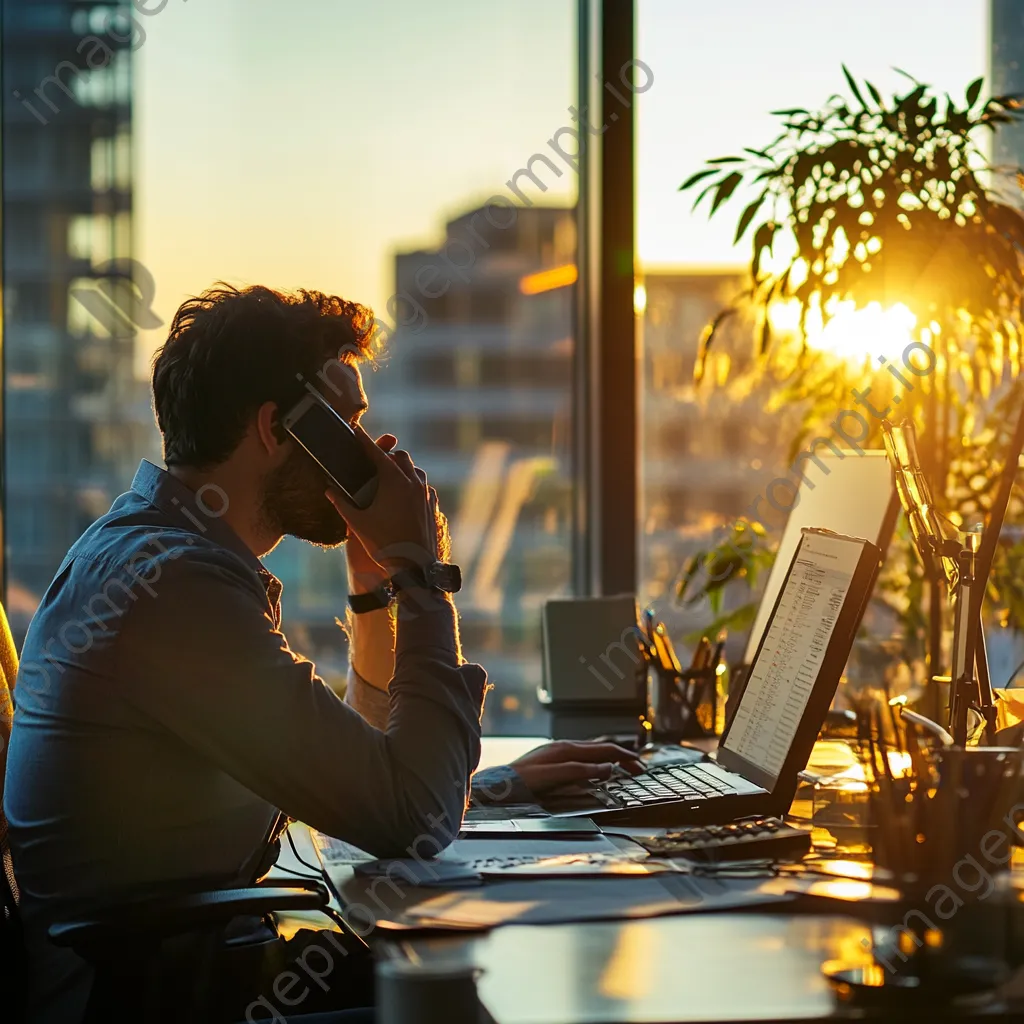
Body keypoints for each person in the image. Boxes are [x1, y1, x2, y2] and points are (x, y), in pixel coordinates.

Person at [3, 285, 643, 1023]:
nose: (370, 456)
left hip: (195, 968)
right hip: (153, 1001)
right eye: (349, 427)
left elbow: (360, 789)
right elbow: (411, 816)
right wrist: (420, 574)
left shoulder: (152, 548)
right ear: (276, 430)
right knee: (481, 995)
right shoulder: (173, 590)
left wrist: (375, 597)